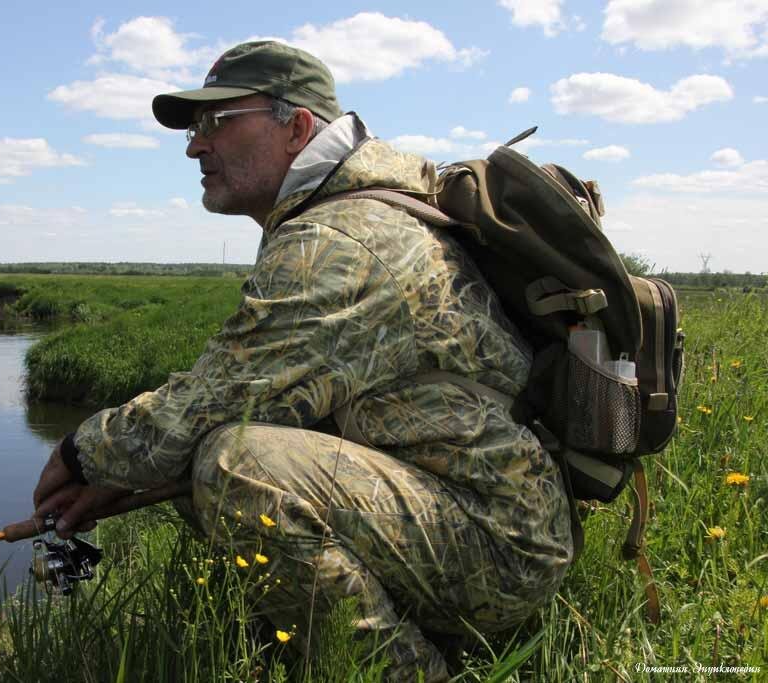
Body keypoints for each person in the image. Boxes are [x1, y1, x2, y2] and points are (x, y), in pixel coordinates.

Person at [32, 40, 573, 681]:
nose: (194, 147)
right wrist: (122, 476)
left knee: (238, 465)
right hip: (481, 514)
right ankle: (297, 647)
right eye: (194, 128)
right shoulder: (349, 213)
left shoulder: (340, 239)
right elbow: (226, 400)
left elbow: (214, 399)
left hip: (499, 543)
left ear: (297, 126)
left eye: (216, 122)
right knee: (200, 458)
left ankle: (398, 672)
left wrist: (77, 454)